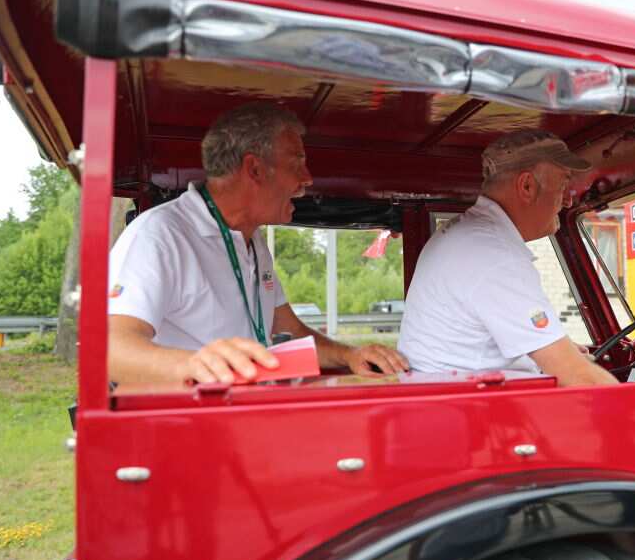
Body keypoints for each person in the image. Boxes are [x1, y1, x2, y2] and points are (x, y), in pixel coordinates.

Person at [107, 102, 409, 386]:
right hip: (185, 421)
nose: (307, 179)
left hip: (241, 415)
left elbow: (287, 330)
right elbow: (110, 348)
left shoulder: (252, 239)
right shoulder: (160, 234)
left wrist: (349, 355)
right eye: (297, 163)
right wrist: (196, 365)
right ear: (254, 169)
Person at [399, 130, 618, 386]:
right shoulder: (493, 255)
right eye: (562, 186)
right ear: (527, 186)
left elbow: (476, 347)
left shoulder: (464, 235)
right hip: (469, 407)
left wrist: (554, 351)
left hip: (453, 399)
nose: (569, 201)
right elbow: (580, 379)